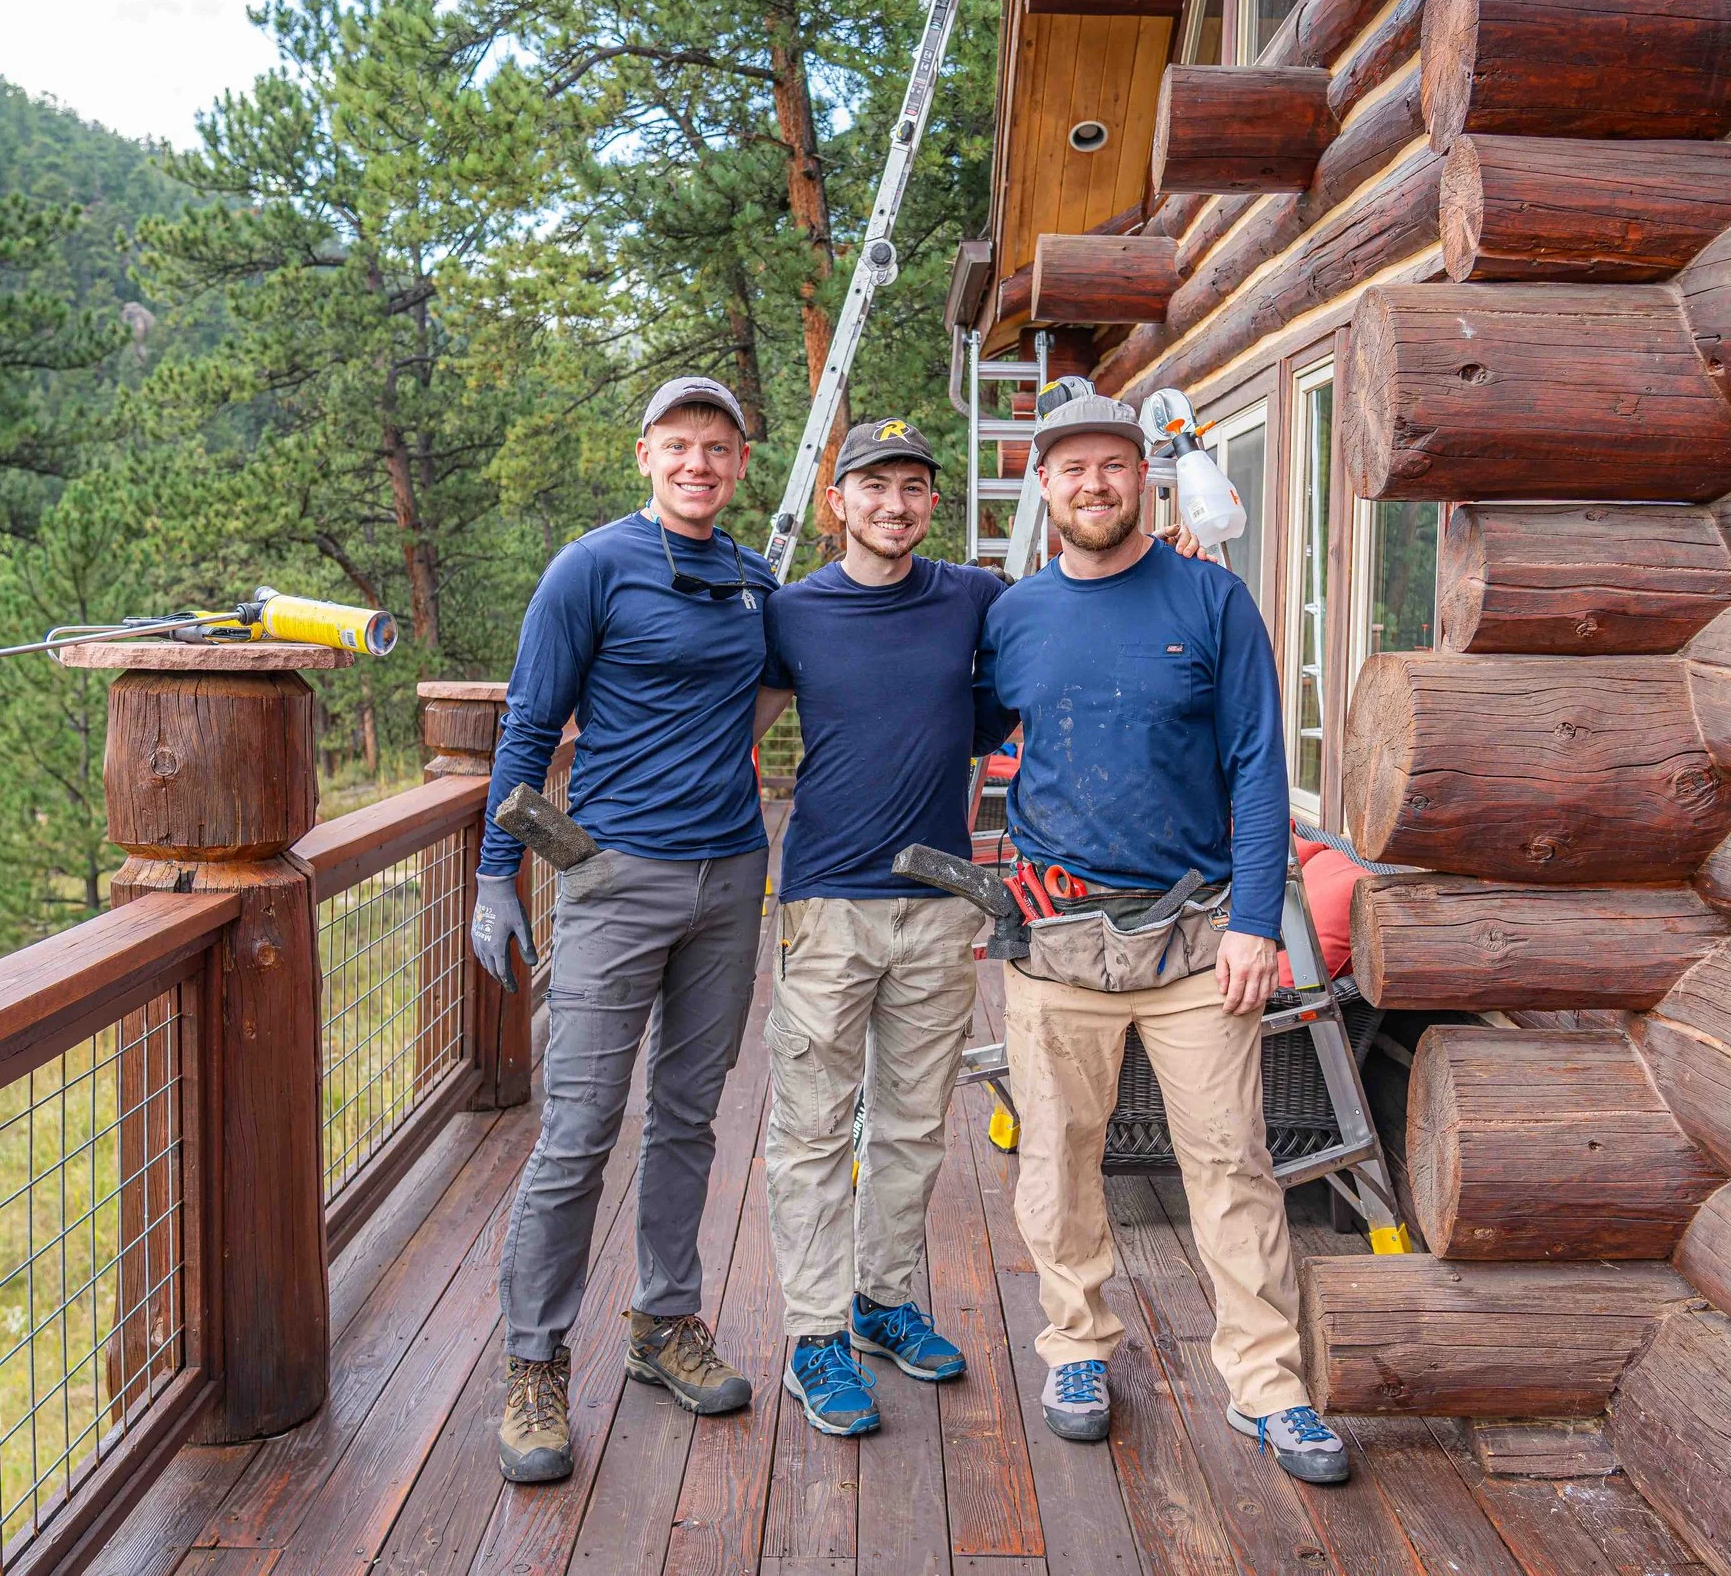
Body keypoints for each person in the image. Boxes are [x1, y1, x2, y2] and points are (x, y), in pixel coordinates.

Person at [973, 388, 1350, 1486]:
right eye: (1071, 468)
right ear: (1043, 485)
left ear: (1143, 476)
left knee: (1230, 1160)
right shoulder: (1011, 617)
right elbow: (953, 729)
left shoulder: (1211, 597)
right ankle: (1078, 1348)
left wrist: (1250, 921)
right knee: (1056, 1159)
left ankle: (1269, 1382)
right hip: (1055, 941)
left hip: (1194, 942)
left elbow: (1256, 764)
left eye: (1112, 465)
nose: (1093, 484)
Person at [471, 375, 774, 1485]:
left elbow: (775, 684)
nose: (699, 462)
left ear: (741, 465)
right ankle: (535, 1363)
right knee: (578, 1127)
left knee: (688, 1113)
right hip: (610, 878)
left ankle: (662, 1324)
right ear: (644, 454)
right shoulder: (590, 567)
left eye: (719, 448)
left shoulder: (751, 577)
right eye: (680, 444)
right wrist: (496, 874)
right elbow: (530, 722)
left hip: (732, 876)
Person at [751, 418, 1011, 1437]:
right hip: (825, 901)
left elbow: (991, 712)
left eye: (912, 487)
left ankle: (880, 1298)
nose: (893, 504)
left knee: (910, 1122)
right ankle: (813, 1334)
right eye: (872, 486)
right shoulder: (793, 611)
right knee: (811, 1128)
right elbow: (734, 722)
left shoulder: (973, 599)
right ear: (837, 502)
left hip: (940, 903)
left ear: (930, 504)